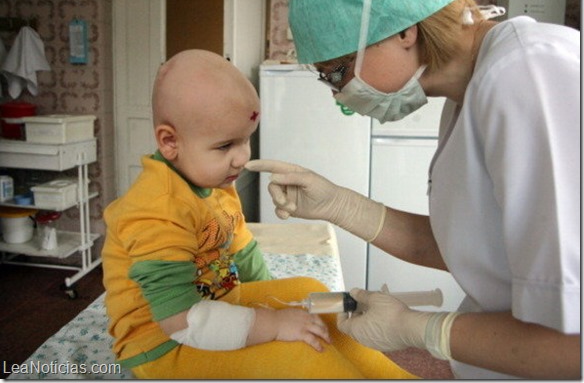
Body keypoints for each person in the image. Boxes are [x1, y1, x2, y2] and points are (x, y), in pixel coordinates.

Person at [246, 0, 580, 379]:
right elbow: (476, 248)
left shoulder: (530, 74)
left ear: (403, 30)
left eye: (337, 72)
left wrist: (419, 329)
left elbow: (571, 342)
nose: (339, 93)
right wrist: (340, 205)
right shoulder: (471, 91)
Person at [101, 49, 416, 379]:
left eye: (245, 140)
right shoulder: (156, 209)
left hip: (218, 305)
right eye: (225, 146)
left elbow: (242, 247)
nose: (241, 158)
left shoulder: (215, 182)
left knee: (316, 299)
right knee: (302, 355)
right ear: (169, 142)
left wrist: (277, 307)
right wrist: (274, 324)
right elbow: (181, 321)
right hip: (165, 343)